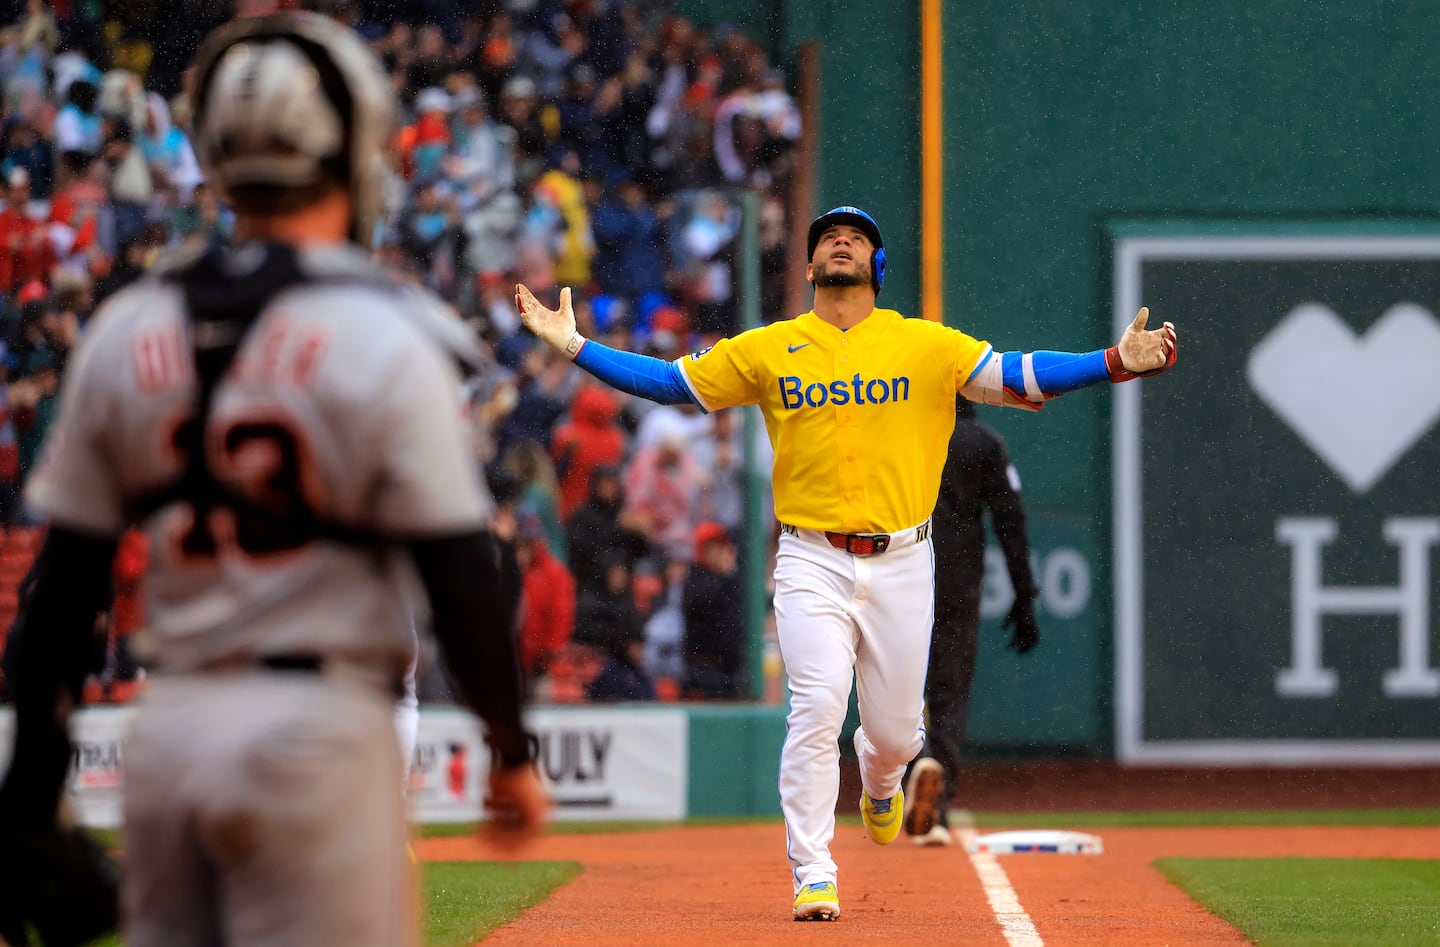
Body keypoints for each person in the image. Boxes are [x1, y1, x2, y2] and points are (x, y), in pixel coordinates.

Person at [0, 14, 547, 946]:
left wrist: (24, 801)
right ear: (352, 148)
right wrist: (508, 749)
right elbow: (462, 571)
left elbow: (60, 595)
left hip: (171, 732)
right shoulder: (389, 329)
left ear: (212, 153)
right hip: (319, 731)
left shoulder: (127, 327)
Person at [516, 203, 1178, 922]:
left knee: (895, 734)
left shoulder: (925, 344)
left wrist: (1112, 362)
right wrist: (576, 345)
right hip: (810, 557)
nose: (840, 241)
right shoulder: (771, 347)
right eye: (829, 237)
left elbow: (1020, 374)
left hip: (903, 560)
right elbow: (674, 383)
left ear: (877, 267)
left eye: (856, 238)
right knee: (816, 704)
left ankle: (883, 782)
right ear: (807, 267)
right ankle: (813, 869)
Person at [903, 395, 1041, 846]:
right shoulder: (983, 441)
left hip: (901, 577)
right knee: (949, 693)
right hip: (957, 584)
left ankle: (898, 779)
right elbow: (1011, 521)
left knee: (895, 689)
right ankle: (936, 802)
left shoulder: (907, 432)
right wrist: (1025, 596)